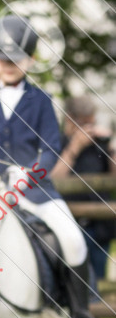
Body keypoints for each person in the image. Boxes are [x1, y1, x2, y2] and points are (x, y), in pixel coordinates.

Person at [0, 14, 104, 318]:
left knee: (71, 239)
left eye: (15, 59)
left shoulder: (41, 101)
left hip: (36, 193)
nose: (8, 65)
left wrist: (28, 174)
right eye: (2, 59)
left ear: (30, 61)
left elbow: (51, 148)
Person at [52, 95, 115, 288]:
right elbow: (53, 180)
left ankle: (93, 317)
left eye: (92, 123)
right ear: (70, 120)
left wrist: (112, 150)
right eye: (84, 123)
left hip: (99, 229)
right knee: (70, 287)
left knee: (97, 286)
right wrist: (75, 147)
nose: (89, 129)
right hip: (67, 228)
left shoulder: (100, 144)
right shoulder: (57, 143)